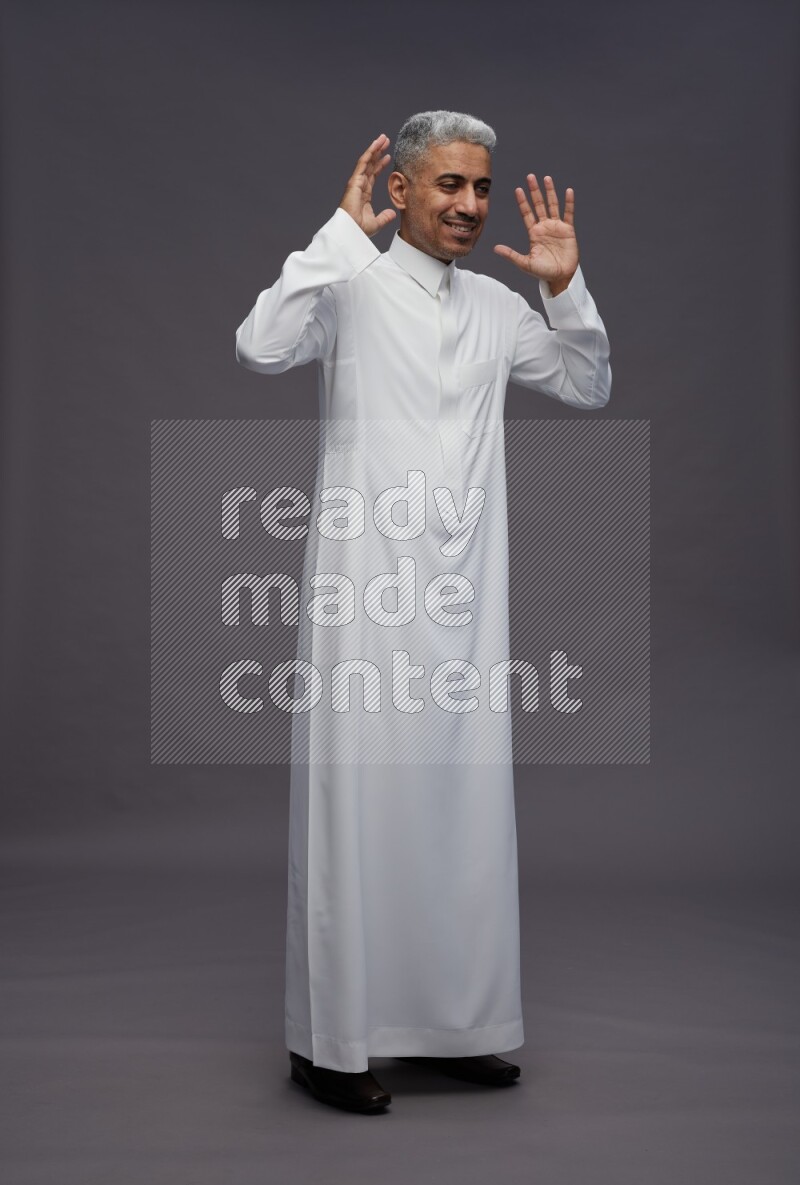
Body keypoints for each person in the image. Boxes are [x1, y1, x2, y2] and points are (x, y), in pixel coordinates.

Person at [234, 110, 611, 1114]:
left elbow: (584, 381)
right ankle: (331, 1044)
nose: (468, 205)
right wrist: (334, 239)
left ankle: (457, 1027)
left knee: (461, 805)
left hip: (463, 595)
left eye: (479, 188)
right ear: (399, 190)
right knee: (357, 803)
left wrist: (562, 286)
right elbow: (260, 345)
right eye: (448, 186)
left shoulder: (494, 306)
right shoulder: (347, 286)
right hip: (364, 593)